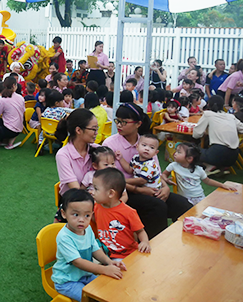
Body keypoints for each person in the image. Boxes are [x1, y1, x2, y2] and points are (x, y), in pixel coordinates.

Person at [103, 102, 193, 238]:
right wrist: (139, 190)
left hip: (149, 187)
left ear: (138, 124)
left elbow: (156, 171)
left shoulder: (147, 143)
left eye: (124, 122)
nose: (119, 125)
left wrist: (165, 188)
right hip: (123, 192)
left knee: (182, 205)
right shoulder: (110, 144)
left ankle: (182, 241)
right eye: (118, 121)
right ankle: (154, 244)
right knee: (157, 206)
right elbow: (108, 179)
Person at [52, 189, 125, 302]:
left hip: (85, 275)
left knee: (107, 290)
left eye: (87, 215)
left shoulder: (88, 229)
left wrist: (109, 262)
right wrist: (104, 269)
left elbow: (95, 249)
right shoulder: (64, 237)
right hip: (67, 281)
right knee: (92, 298)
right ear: (63, 214)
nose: (81, 220)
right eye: (75, 214)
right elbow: (78, 262)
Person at [92, 168, 151, 258]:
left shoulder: (128, 212)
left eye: (96, 189)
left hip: (128, 255)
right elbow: (96, 220)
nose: (92, 192)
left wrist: (144, 242)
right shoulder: (96, 207)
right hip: (106, 253)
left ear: (111, 193)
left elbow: (140, 231)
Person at [162, 142, 237, 206]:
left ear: (189, 158)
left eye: (179, 152)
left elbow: (208, 181)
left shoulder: (198, 169)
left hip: (199, 197)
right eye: (176, 151)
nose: (175, 153)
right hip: (183, 199)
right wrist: (166, 180)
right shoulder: (173, 165)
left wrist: (222, 185)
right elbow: (164, 174)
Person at [193, 95, 243, 174]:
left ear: (208, 105)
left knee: (190, 150)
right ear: (223, 105)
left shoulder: (208, 114)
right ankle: (219, 167)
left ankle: (209, 165)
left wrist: (207, 131)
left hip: (217, 153)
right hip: (233, 156)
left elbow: (196, 135)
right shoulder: (231, 117)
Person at [55, 109, 99, 196]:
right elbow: (76, 191)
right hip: (74, 200)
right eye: (94, 129)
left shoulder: (98, 150)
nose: (96, 133)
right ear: (78, 130)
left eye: (97, 129)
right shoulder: (63, 155)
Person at [0, 77, 24, 159]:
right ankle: (7, 141)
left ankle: (0, 140)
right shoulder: (20, 97)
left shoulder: (3, 99)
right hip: (19, 128)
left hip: (9, 130)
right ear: (14, 86)